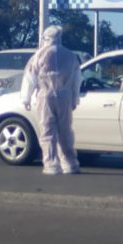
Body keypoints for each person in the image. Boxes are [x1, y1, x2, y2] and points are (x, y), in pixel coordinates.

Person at [20, 26, 81, 175]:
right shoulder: (71, 56)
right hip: (64, 96)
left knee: (47, 130)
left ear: (45, 38)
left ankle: (51, 164)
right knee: (65, 131)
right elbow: (76, 80)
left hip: (45, 96)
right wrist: (74, 98)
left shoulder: (38, 56)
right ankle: (70, 163)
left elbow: (30, 78)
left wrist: (26, 98)